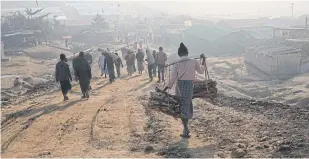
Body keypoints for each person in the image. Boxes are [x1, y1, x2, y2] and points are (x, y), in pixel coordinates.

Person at [163, 43, 206, 138]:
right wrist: (203, 61)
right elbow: (201, 71)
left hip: (180, 86)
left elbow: (173, 78)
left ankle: (185, 127)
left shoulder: (176, 64)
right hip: (190, 86)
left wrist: (166, 87)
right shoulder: (193, 62)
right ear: (187, 53)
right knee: (187, 104)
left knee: (181, 106)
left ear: (179, 54)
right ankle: (186, 127)